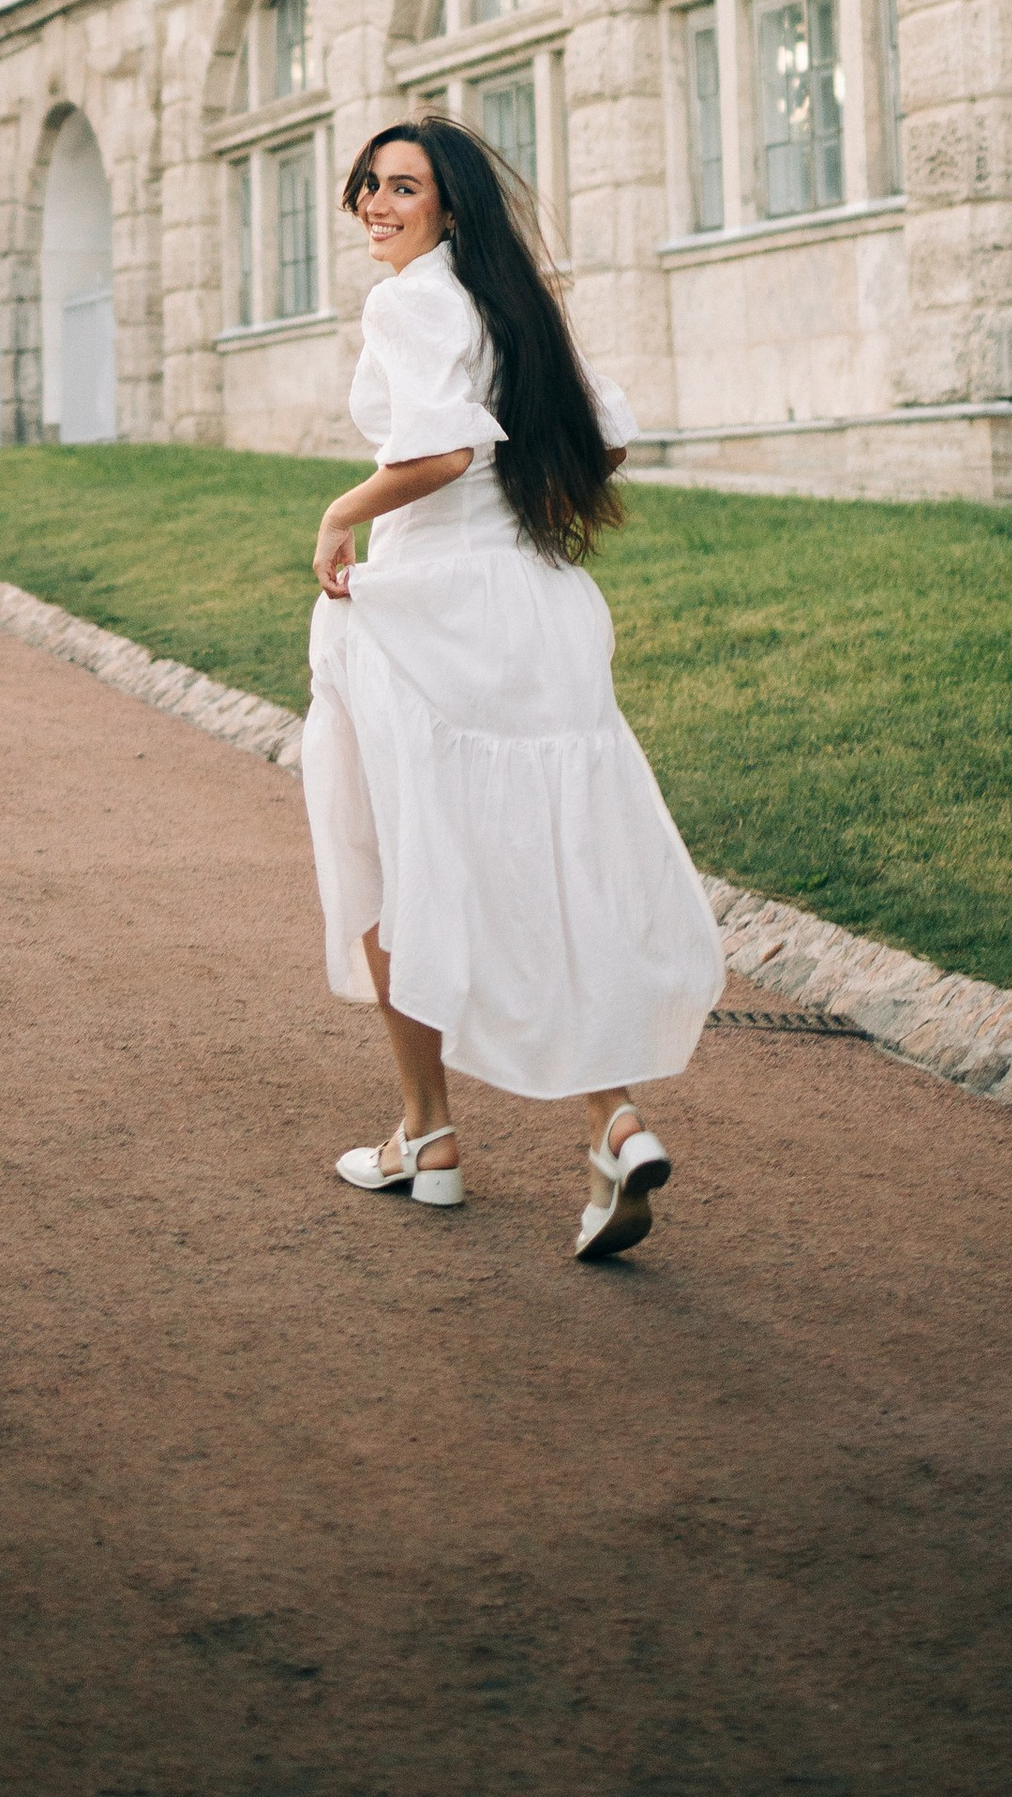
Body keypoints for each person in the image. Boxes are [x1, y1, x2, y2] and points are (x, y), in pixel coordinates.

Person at [304, 115, 724, 1259]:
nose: (378, 207)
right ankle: (612, 1121)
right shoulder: (515, 298)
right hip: (535, 611)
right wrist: (517, 500)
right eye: (369, 187)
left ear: (449, 207)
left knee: (395, 865)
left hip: (429, 617)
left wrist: (341, 515)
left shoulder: (405, 304)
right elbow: (605, 440)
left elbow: (438, 452)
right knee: (542, 860)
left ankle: (428, 1136)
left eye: (404, 189)